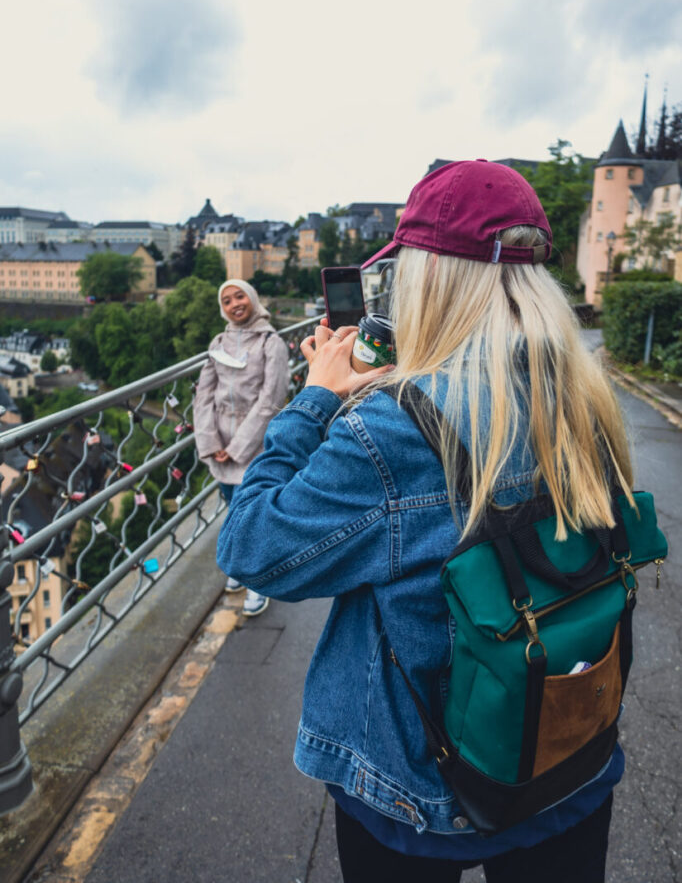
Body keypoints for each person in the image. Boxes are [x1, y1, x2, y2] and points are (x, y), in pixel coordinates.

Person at [217, 161, 634, 881]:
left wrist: (318, 399)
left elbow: (251, 547)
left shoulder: (392, 428)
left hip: (417, 784)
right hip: (566, 751)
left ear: (431, 278)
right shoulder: (582, 388)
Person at [194, 278, 289, 617]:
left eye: (239, 296)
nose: (235, 304)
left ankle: (258, 582)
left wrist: (237, 447)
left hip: (254, 444)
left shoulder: (271, 342)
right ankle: (239, 565)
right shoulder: (218, 342)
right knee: (232, 508)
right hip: (220, 444)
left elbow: (271, 400)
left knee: (252, 515)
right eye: (227, 300)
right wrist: (211, 442)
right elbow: (203, 395)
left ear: (251, 299)